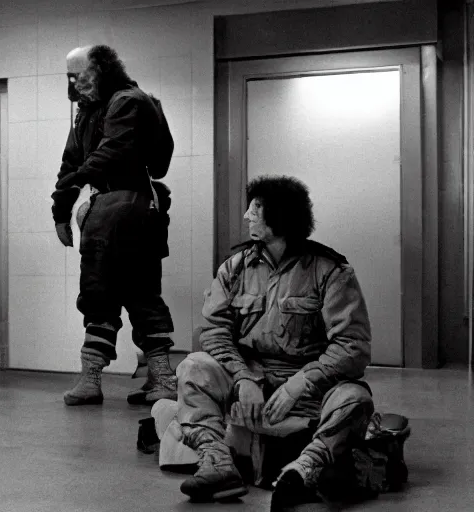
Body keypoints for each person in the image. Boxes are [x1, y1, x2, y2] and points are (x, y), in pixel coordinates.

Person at [175, 175, 375, 509]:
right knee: (193, 367)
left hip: (310, 386)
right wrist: (243, 377)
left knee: (356, 399)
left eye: (255, 208)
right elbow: (214, 332)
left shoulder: (331, 271)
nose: (246, 217)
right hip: (251, 377)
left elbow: (353, 346)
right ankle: (218, 463)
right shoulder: (235, 268)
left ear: (280, 215)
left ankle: (302, 470)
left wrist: (300, 383)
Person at [51, 45, 177, 406]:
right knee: (120, 292)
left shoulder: (129, 101)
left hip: (124, 205)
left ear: (102, 69)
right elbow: (70, 160)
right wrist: (61, 208)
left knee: (118, 292)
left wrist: (67, 194)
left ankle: (138, 379)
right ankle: (154, 379)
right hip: (115, 207)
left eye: (78, 75)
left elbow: (110, 154)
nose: (73, 84)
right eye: (68, 77)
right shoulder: (88, 111)